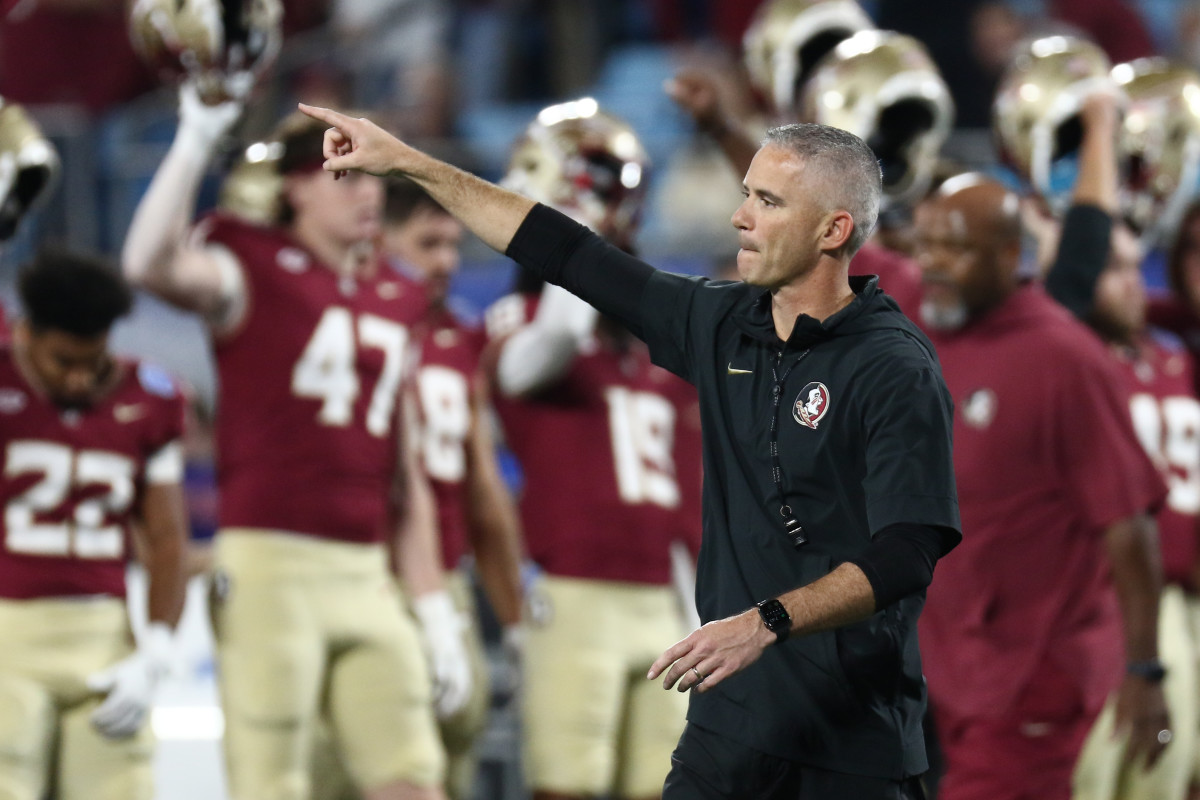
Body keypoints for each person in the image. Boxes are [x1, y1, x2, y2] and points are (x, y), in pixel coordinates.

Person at [299, 102, 962, 800]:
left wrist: (766, 622)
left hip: (849, 740)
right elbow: (565, 251)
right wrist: (408, 160)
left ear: (834, 230)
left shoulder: (894, 366)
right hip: (729, 726)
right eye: (745, 195)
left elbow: (907, 552)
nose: (740, 218)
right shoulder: (720, 322)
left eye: (768, 202)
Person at [122, 85, 467, 800]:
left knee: (414, 782)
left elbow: (403, 478)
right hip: (271, 569)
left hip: (366, 570)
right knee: (271, 785)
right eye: (341, 175)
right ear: (293, 189)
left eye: (369, 176)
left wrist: (433, 608)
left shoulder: (396, 298)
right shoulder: (248, 265)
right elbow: (147, 264)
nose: (364, 195)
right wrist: (192, 142)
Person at [912, 174, 1170, 800]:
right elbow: (830, 236)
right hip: (955, 668)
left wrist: (1145, 668)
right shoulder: (930, 324)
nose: (934, 266)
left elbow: (1128, 523)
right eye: (927, 247)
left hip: (1032, 673)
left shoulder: (1063, 358)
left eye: (957, 249)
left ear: (1009, 257)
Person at [483, 101, 703, 800]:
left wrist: (697, 618)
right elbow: (544, 351)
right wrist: (567, 242)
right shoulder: (523, 325)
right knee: (566, 786)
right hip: (575, 590)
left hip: (661, 606)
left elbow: (685, 509)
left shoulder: (654, 364)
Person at [0, 249, 188, 800]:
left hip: (104, 637)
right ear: (25, 332)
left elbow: (167, 537)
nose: (81, 378)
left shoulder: (149, 398)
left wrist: (156, 648)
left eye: (95, 360)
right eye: (64, 361)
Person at [383, 178, 524, 799]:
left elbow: (484, 489)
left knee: (454, 757)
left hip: (448, 574)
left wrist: (513, 617)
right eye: (426, 243)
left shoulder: (460, 339)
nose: (444, 260)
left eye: (451, 245)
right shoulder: (345, 322)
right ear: (376, 238)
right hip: (369, 581)